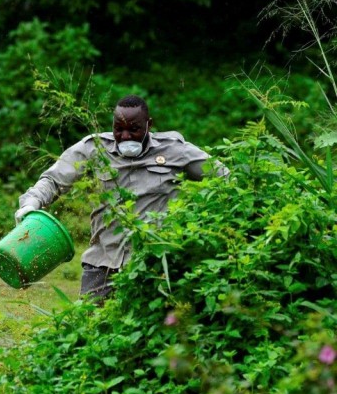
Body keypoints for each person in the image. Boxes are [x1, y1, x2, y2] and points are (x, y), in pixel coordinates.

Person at [15, 94, 227, 304]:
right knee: (88, 327)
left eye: (133, 129)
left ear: (148, 125)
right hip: (102, 263)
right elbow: (54, 180)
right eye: (119, 129)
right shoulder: (95, 148)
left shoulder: (175, 150)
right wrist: (31, 204)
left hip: (155, 265)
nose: (125, 136)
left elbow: (224, 178)